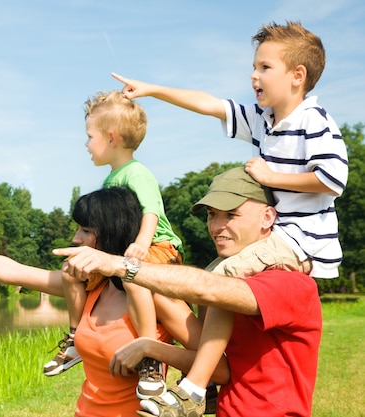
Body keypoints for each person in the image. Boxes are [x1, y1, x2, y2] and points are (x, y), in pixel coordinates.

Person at [111, 20, 348, 414]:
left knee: (216, 281)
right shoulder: (264, 119)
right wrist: (153, 90)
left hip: (301, 238)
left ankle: (195, 386)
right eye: (253, 67)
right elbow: (210, 104)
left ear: (297, 76)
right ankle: (208, 370)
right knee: (210, 274)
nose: (253, 76)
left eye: (264, 67)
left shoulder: (314, 120)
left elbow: (332, 178)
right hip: (280, 232)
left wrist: (271, 177)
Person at [0, 187, 213, 417]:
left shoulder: (154, 295)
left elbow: (217, 366)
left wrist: (151, 349)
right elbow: (11, 271)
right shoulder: (91, 288)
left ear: (111, 234)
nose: (75, 238)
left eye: (85, 230)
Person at [54, 167, 323, 417]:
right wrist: (152, 347)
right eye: (211, 215)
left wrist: (119, 265)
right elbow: (223, 364)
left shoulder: (289, 283)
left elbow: (208, 289)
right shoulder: (227, 278)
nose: (217, 227)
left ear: (267, 217)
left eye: (231, 215)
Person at [45, 90, 184, 403]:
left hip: (157, 246)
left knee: (133, 278)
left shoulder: (136, 173)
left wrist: (139, 246)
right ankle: (74, 337)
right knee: (70, 272)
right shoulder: (111, 180)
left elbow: (150, 213)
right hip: (123, 250)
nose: (85, 143)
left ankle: (149, 357)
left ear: (111, 138)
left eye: (89, 135)